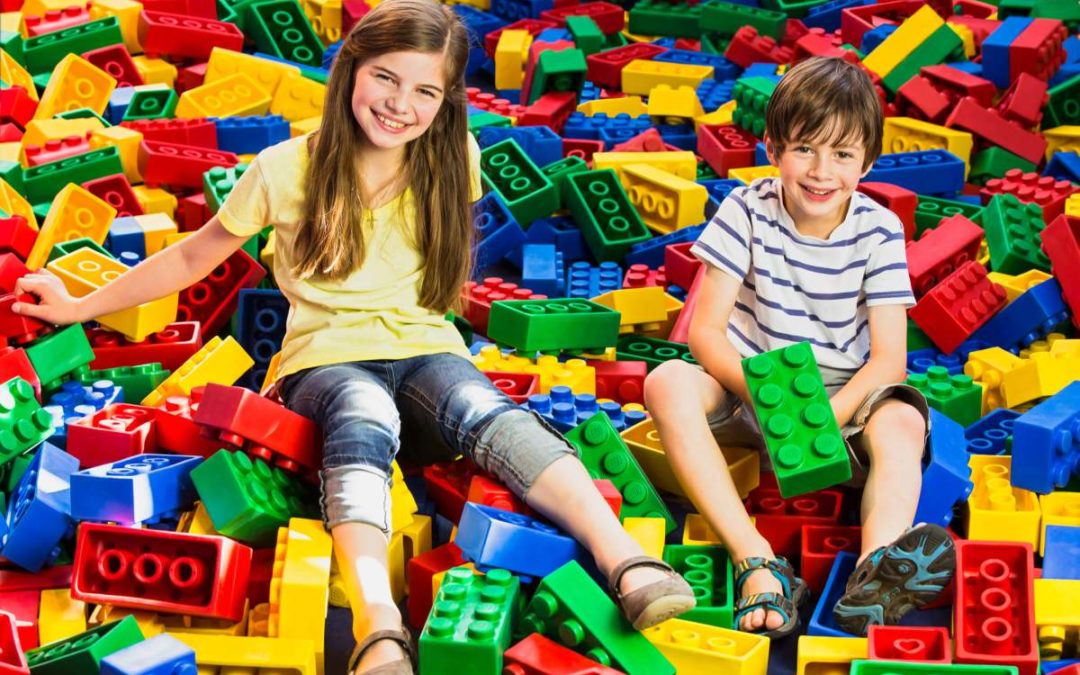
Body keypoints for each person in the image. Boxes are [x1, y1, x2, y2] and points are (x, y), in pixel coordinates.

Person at [14, 1, 697, 671]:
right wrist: (80, 306)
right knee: (363, 411)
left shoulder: (453, 154)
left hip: (426, 351)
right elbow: (193, 256)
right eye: (385, 78)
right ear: (350, 70)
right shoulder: (284, 168)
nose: (400, 104)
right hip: (325, 362)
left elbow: (440, 261)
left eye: (426, 91)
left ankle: (624, 557)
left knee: (483, 407)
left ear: (447, 101)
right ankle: (378, 623)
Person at [643, 56, 954, 639]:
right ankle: (756, 560)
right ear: (773, 147)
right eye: (805, 149)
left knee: (904, 421)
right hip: (749, 391)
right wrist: (772, 404)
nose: (821, 171)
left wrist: (824, 419)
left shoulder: (880, 230)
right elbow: (706, 333)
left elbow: (888, 359)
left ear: (868, 162)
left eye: (843, 154)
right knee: (666, 382)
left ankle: (875, 570)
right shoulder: (744, 211)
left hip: (841, 406)